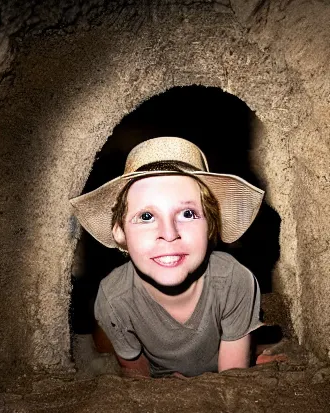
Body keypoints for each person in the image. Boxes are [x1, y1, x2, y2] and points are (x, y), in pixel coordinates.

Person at [70, 137, 265, 378]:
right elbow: (136, 376)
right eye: (146, 217)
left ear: (210, 226)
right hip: (160, 379)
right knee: (99, 345)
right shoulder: (114, 298)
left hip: (217, 374)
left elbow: (232, 382)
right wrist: (162, 390)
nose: (169, 234)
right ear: (120, 233)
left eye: (188, 213)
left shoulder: (235, 280)